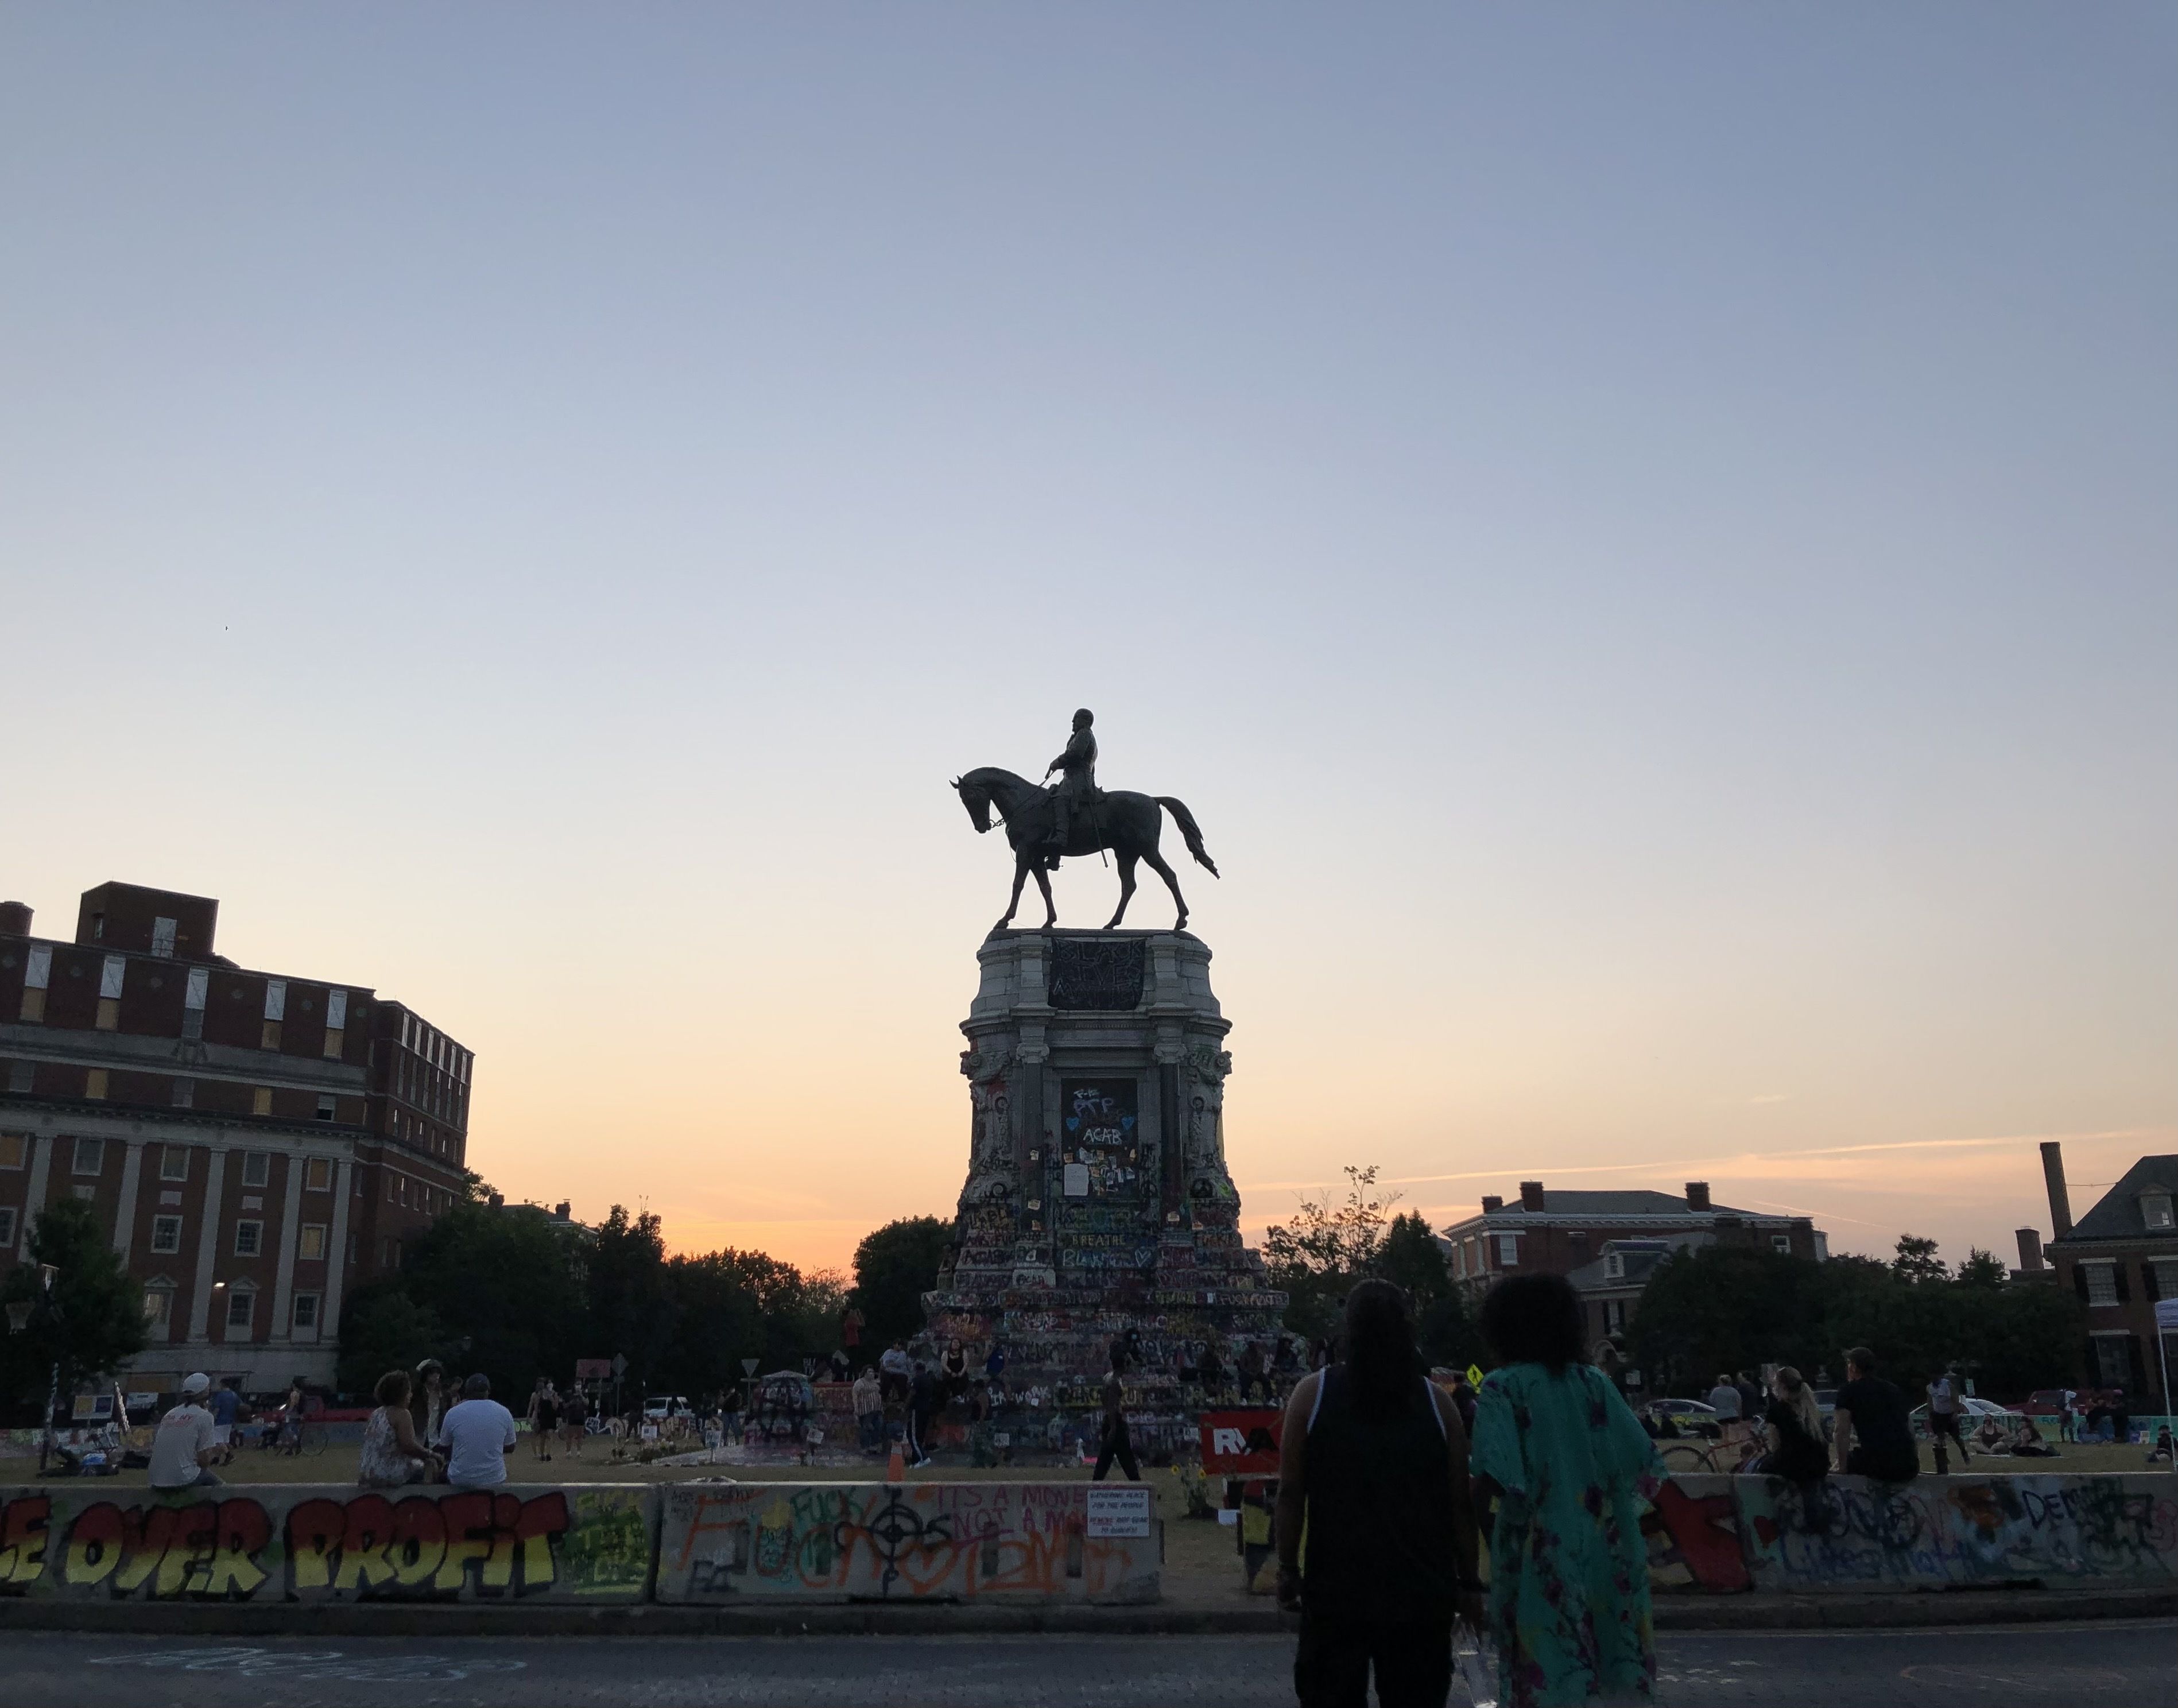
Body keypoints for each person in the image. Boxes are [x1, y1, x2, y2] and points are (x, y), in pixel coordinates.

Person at [1275, 1280, 1482, 1708]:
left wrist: (1287, 1567)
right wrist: (1468, 1581)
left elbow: (1291, 1492)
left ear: (1348, 1330)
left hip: (1337, 1588)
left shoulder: (1312, 1396)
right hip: (1420, 1591)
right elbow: (1459, 1502)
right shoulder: (1438, 1405)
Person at [1469, 1275, 1664, 1708]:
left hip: (1540, 1558)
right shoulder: (1595, 1383)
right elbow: (1642, 1467)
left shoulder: (1503, 1387)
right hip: (1604, 1555)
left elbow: (1493, 1478)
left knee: (1546, 1679)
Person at [1833, 1347, 1917, 1482]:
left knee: (1844, 1461)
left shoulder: (1848, 1391)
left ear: (1854, 1367)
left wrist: (1842, 1466)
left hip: (1878, 1463)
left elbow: (1841, 1431)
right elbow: (1909, 1426)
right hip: (1908, 1463)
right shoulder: (1893, 1389)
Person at [436, 1373, 518, 1489]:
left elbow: (444, 1445)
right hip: (494, 1478)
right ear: (488, 1391)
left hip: (460, 1479)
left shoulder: (453, 1413)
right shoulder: (504, 1412)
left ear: (467, 1391)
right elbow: (511, 1447)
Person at [359, 1370, 437, 1488]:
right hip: (387, 1473)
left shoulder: (377, 1413)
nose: (411, 1395)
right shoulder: (402, 1414)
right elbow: (409, 1446)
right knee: (432, 1466)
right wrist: (432, 1455)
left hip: (368, 1472)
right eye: (409, 1392)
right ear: (401, 1394)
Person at [1752, 1367, 1828, 1488]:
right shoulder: (1812, 1411)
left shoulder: (1777, 1410)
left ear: (1781, 1386)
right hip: (1819, 1465)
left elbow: (1776, 1446)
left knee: (1758, 1467)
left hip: (1792, 1466)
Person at [1041, 706, 1098, 865]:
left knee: (1060, 799)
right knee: (1052, 795)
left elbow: (1075, 754)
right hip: (1073, 778)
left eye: (1076, 718)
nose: (1073, 722)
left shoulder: (1085, 734)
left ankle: (1061, 837)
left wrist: (1057, 762)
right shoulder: (1082, 735)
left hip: (1079, 780)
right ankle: (1054, 856)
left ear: (1086, 721)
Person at [150, 1372, 223, 1492]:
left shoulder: (171, 1414)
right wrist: (216, 1453)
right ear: (205, 1392)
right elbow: (203, 1461)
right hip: (182, 1479)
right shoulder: (204, 1416)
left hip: (156, 1479)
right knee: (222, 1489)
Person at [1093, 1355, 1139, 1483]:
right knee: (1127, 1458)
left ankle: (1095, 1484)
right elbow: (1114, 1405)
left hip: (1108, 1419)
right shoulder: (1115, 1381)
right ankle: (1138, 1485)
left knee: (1105, 1459)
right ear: (1123, 1365)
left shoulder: (1107, 1377)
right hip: (1116, 1423)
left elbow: (1104, 1399)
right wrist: (1114, 1428)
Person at [1925, 1366, 1971, 1470]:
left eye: (1936, 1376)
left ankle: (1964, 1453)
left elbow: (1955, 1398)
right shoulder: (1929, 1387)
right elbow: (1930, 1401)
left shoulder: (1947, 1385)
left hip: (1949, 1414)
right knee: (1940, 1437)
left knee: (1957, 1438)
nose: (1934, 1378)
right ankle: (1943, 1457)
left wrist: (1955, 1413)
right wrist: (1930, 1415)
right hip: (1938, 1414)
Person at [909, 1361, 939, 1469]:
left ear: (916, 1369)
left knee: (912, 1436)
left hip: (917, 1409)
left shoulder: (917, 1379)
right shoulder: (929, 1380)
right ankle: (916, 1460)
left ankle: (923, 1458)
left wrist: (905, 1406)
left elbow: (912, 1394)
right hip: (927, 1410)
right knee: (920, 1436)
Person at [207, 1377, 242, 1464]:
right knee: (223, 1440)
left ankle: (229, 1455)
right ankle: (216, 1458)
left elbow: (217, 1408)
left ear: (222, 1385)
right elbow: (240, 1406)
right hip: (230, 1420)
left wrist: (213, 1418)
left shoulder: (221, 1395)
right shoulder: (234, 1395)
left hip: (220, 1420)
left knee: (217, 1441)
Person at [414, 1360, 447, 1444]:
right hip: (418, 1438)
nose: (436, 1375)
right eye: (432, 1372)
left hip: (435, 1440)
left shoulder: (442, 1395)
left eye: (438, 1372)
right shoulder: (416, 1394)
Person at [852, 1366, 883, 1454]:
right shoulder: (860, 1383)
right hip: (866, 1410)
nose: (872, 1374)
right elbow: (855, 1395)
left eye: (873, 1372)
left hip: (877, 1409)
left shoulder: (876, 1383)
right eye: (870, 1372)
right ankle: (865, 1448)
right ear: (865, 1373)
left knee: (878, 1426)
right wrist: (856, 1408)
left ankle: (874, 1446)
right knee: (866, 1428)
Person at [526, 1378, 558, 1463]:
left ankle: (541, 1453)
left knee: (542, 1436)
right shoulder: (537, 1395)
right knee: (539, 1435)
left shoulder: (545, 1394)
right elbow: (532, 1407)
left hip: (543, 1416)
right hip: (539, 1416)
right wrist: (529, 1417)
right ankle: (538, 1453)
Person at [1706, 1372, 1743, 1442]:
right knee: (1734, 1433)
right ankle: (1735, 1448)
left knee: (1724, 1434)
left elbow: (1711, 1401)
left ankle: (1727, 1450)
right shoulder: (1734, 1391)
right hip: (1733, 1414)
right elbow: (1739, 1403)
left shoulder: (1715, 1391)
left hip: (1721, 1414)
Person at [879, 1339, 913, 1405]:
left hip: (899, 1373)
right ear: (894, 1345)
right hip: (888, 1372)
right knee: (885, 1379)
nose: (900, 1346)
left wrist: (891, 1363)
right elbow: (884, 1362)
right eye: (899, 1344)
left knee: (901, 1379)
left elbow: (900, 1362)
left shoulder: (903, 1353)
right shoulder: (888, 1352)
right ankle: (884, 1399)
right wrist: (889, 1364)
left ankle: (901, 1399)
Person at [562, 1385, 588, 1458]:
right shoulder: (570, 1395)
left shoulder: (584, 1395)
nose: (578, 1386)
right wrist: (570, 1403)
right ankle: (568, 1452)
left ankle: (579, 1452)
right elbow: (564, 1406)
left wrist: (581, 1395)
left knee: (580, 1436)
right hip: (572, 1417)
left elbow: (587, 1403)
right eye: (577, 1384)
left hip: (581, 1418)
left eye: (580, 1384)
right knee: (569, 1436)